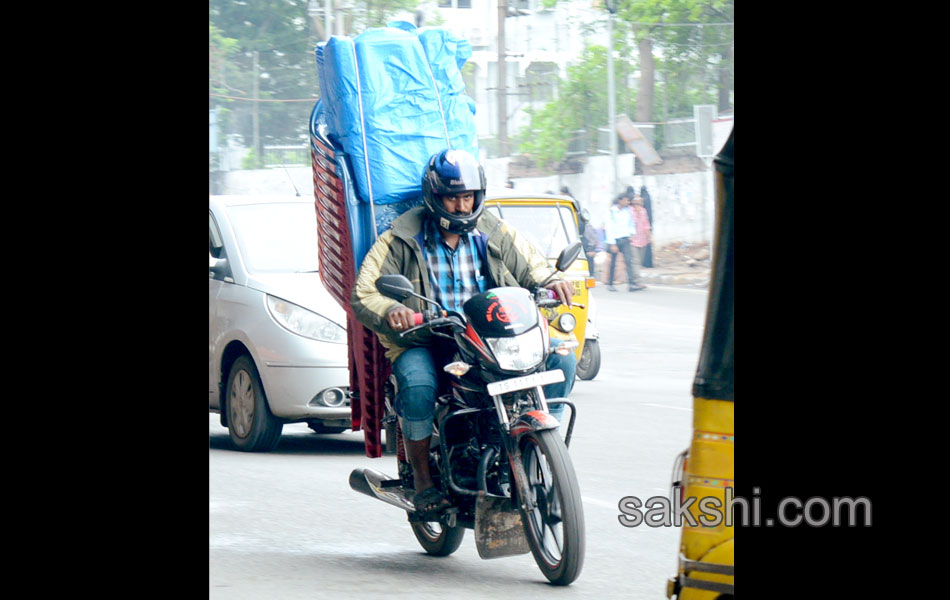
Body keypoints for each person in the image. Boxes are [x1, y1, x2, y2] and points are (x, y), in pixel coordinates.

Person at [351, 148, 577, 518]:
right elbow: (364, 293)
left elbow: (532, 264)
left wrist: (551, 280)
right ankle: (423, 480)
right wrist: (394, 310)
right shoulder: (403, 235)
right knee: (418, 384)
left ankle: (534, 446)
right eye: (452, 197)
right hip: (430, 337)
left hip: (490, 335)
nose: (460, 206)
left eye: (467, 197)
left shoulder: (492, 229)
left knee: (561, 358)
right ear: (434, 197)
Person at [605, 192, 641, 291]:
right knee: (613, 263)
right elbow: (609, 228)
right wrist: (612, 243)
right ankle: (610, 284)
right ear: (620, 200)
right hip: (615, 240)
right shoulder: (612, 212)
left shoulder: (628, 211)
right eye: (626, 200)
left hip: (625, 239)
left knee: (629, 261)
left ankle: (632, 284)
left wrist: (632, 233)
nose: (627, 202)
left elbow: (631, 223)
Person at [628, 193, 652, 289]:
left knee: (639, 262)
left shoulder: (643, 211)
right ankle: (637, 281)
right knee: (635, 261)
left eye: (640, 203)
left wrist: (649, 236)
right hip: (633, 240)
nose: (638, 205)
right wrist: (636, 214)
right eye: (637, 203)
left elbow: (646, 225)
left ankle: (636, 279)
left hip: (642, 240)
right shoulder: (630, 212)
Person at [639, 185, 654, 268]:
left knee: (644, 244)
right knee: (648, 244)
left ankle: (644, 262)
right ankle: (649, 263)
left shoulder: (643, 200)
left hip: (643, 224)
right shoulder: (648, 198)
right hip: (649, 224)